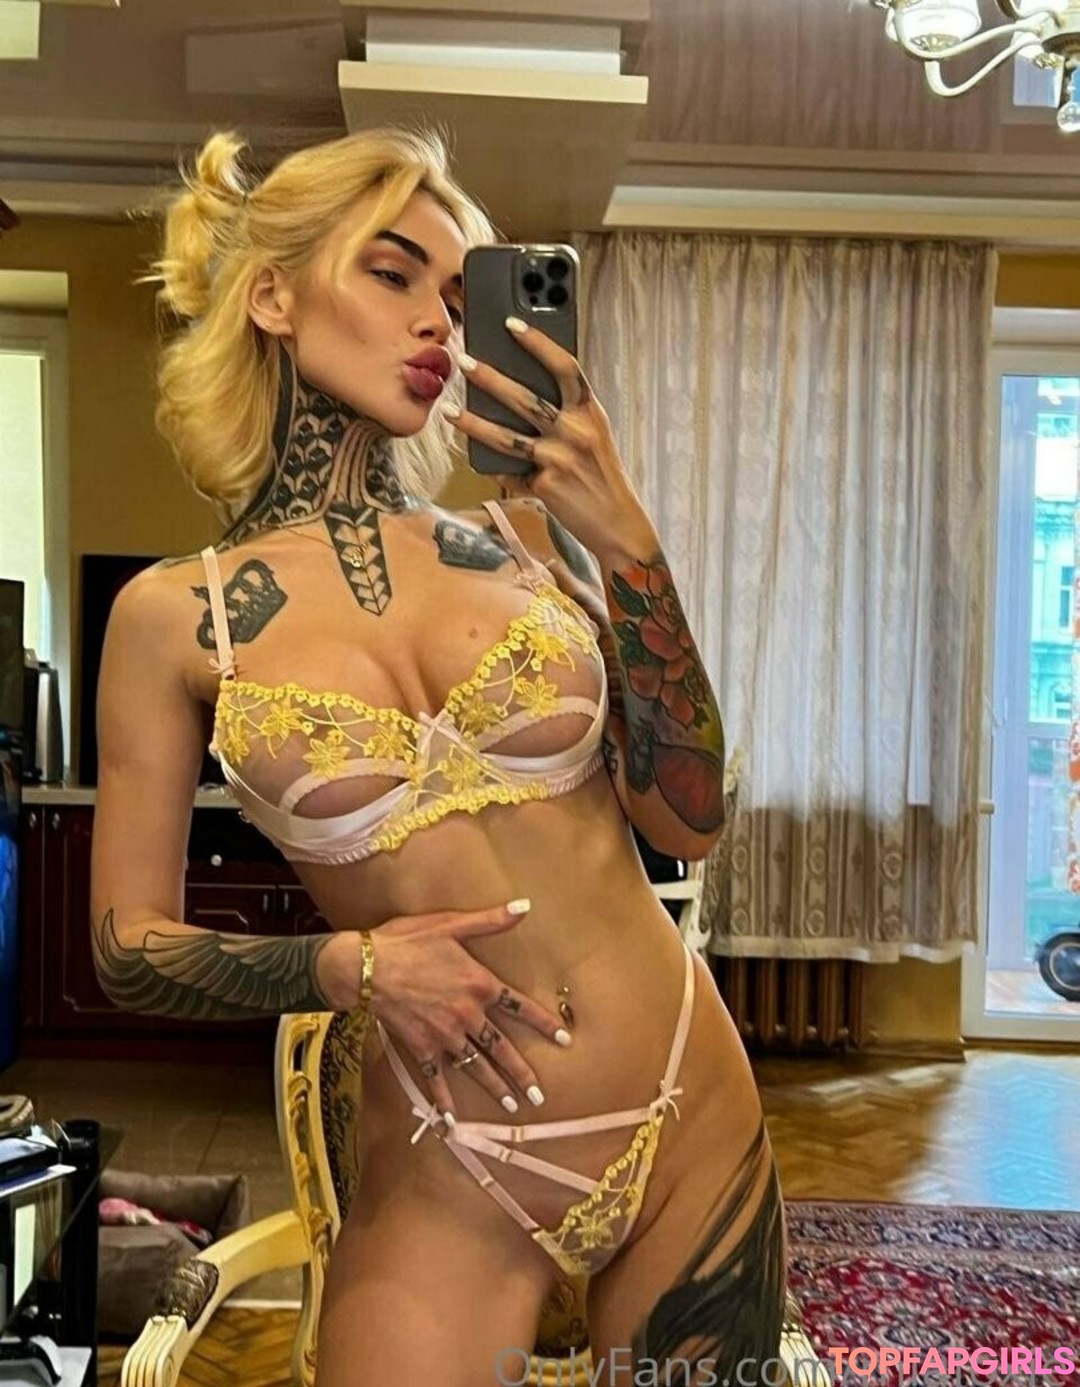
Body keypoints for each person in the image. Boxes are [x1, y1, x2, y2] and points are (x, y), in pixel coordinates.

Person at [89, 126, 786, 1385]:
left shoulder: (527, 540)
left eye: (459, 300)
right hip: (454, 1160)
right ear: (272, 296)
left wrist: (628, 544)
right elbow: (125, 945)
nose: (438, 325)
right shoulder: (173, 618)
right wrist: (348, 964)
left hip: (689, 1096)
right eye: (392, 272)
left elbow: (687, 817)